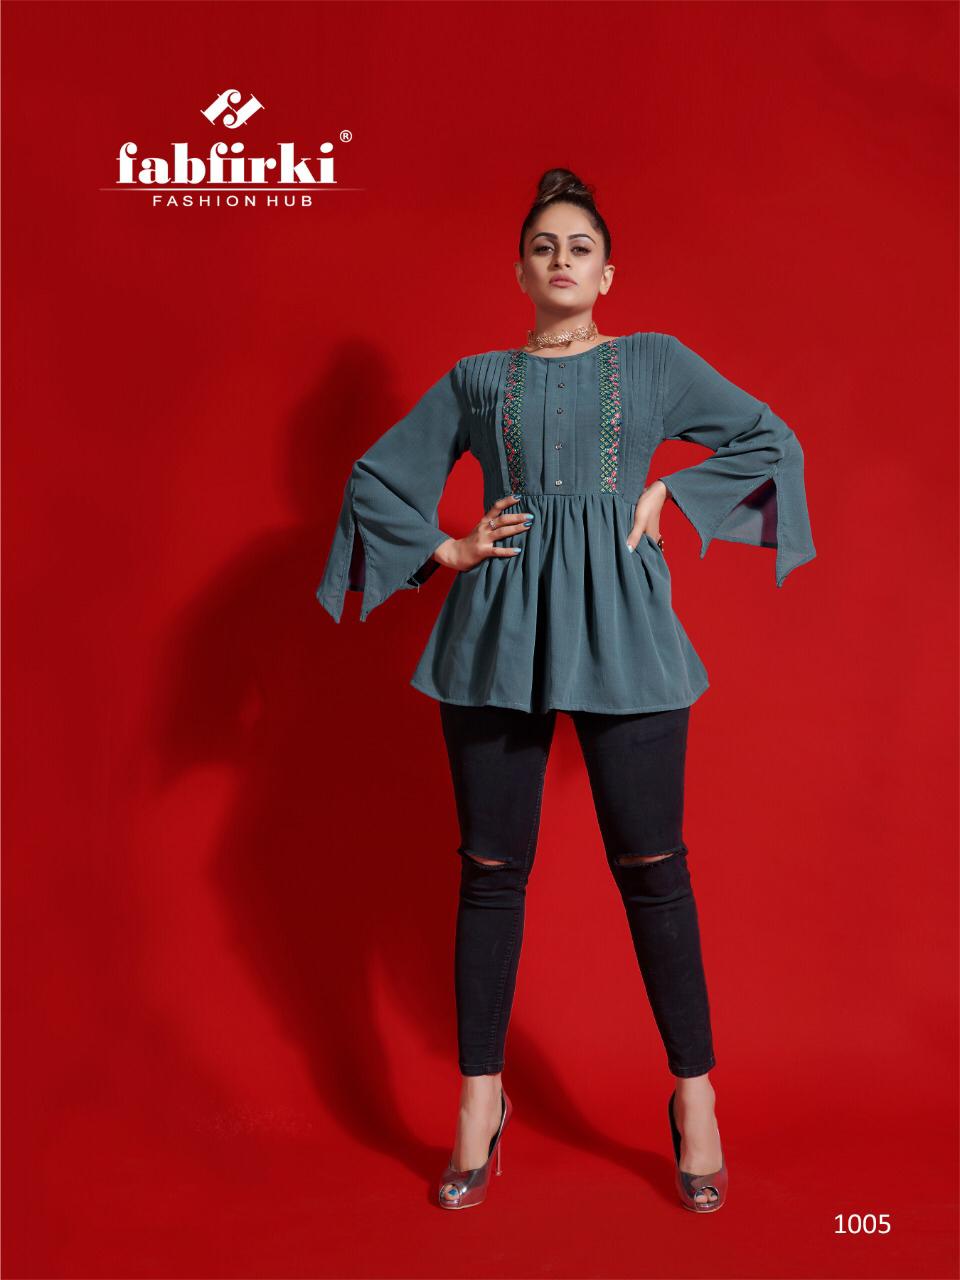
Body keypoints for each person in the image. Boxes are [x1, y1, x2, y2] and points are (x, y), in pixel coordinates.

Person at [315, 168, 816, 1213]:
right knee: (490, 870)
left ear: (607, 272)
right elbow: (375, 477)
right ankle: (479, 1101)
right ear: (519, 270)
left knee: (655, 867)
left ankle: (695, 1097)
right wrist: (447, 548)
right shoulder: (476, 378)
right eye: (543, 245)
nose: (560, 260)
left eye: (579, 246)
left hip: (628, 633)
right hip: (494, 639)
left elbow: (772, 440)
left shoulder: (654, 362)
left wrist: (671, 491)